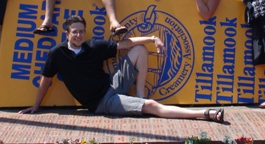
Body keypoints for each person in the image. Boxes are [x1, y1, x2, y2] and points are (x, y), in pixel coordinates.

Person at [19, 15, 225, 122]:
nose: (79, 35)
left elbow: (127, 44)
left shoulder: (93, 46)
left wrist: (153, 38)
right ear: (67, 33)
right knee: (153, 107)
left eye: (81, 32)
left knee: (139, 49)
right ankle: (205, 114)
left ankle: (141, 93)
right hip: (102, 102)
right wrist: (37, 106)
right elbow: (46, 81)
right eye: (75, 32)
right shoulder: (57, 54)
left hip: (111, 84)